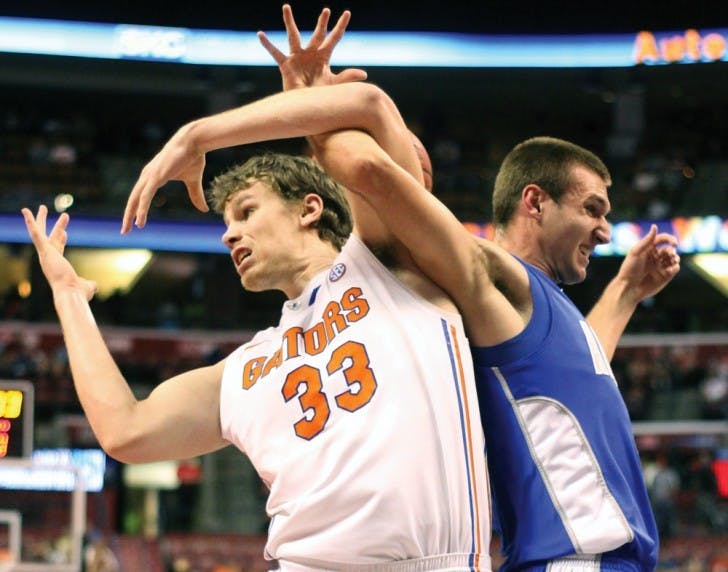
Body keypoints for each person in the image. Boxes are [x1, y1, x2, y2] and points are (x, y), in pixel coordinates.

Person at [120, 5, 680, 570]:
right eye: (591, 208)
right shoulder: (451, 270)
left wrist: (626, 292)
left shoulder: (518, 314)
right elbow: (365, 136)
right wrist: (301, 117)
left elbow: (568, 396)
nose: (604, 227)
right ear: (534, 201)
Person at [22, 9, 490, 572]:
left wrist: (205, 132)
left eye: (246, 211)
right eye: (227, 220)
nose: (229, 232)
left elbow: (370, 108)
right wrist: (69, 298)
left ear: (310, 209)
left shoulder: (393, 263)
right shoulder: (250, 364)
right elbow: (125, 430)